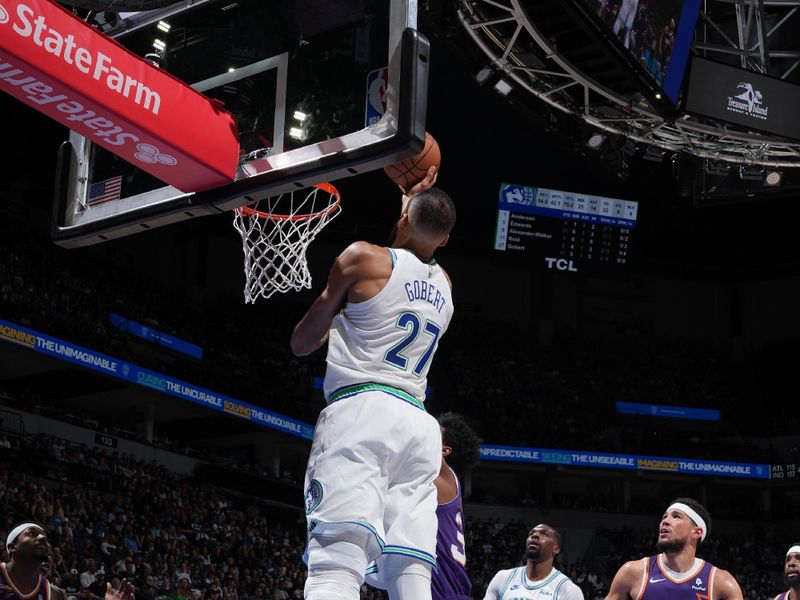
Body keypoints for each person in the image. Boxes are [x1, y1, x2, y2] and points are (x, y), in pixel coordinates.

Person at [291, 166, 455, 600]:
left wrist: (334, 322)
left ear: (403, 219)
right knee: (410, 570)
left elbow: (302, 343)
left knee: (336, 562)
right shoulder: (447, 286)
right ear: (445, 240)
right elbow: (417, 245)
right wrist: (411, 198)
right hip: (419, 426)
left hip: (362, 411)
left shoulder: (362, 258)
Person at [365, 412, 481, 599]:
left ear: (445, 451)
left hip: (443, 587)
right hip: (445, 584)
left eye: (433, 431)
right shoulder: (442, 478)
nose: (425, 431)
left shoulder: (440, 475)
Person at [605, 498, 743, 600]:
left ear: (696, 532)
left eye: (676, 516)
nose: (665, 521)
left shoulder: (722, 582)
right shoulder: (633, 572)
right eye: (664, 517)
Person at [3, 523, 135, 600]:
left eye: (44, 535)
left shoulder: (56, 594)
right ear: (12, 547)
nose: (42, 537)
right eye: (32, 534)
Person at [482, 523, 583, 600]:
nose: (535, 535)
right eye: (531, 533)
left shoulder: (568, 590)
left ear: (556, 549)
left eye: (544, 534)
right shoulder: (503, 578)